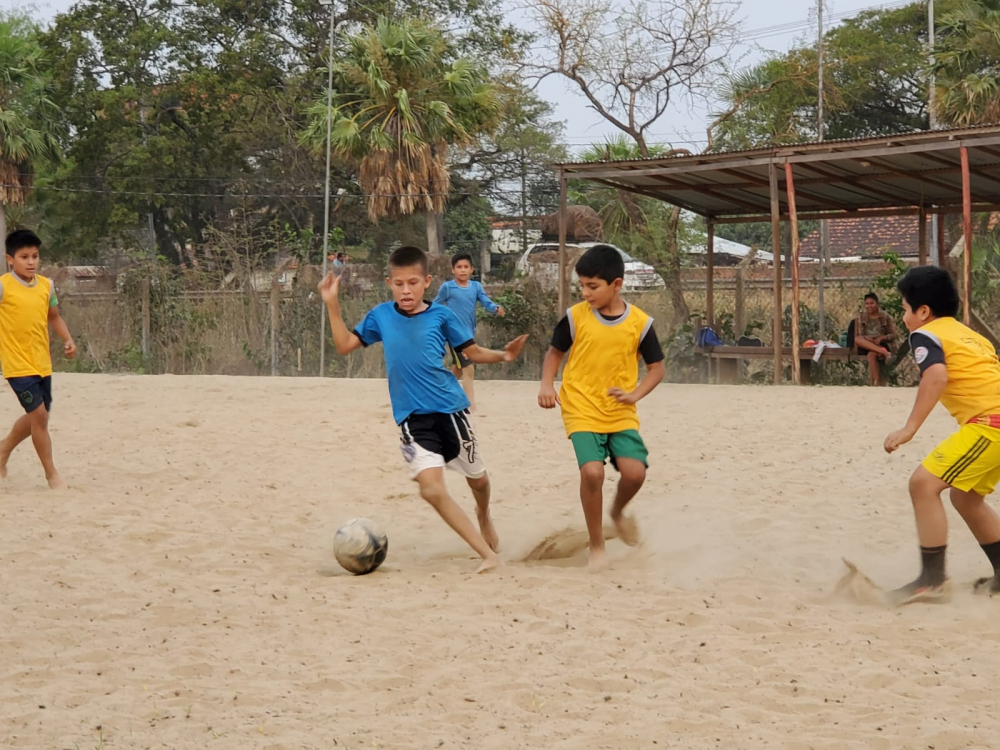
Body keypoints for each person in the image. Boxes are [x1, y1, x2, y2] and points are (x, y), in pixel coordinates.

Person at [319, 245, 527, 573]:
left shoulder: (442, 316)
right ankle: (488, 556)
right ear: (389, 283)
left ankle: (483, 514)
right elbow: (345, 346)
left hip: (450, 410)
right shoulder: (381, 316)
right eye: (399, 283)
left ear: (427, 281)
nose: (406, 290)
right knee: (431, 489)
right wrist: (332, 303)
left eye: (413, 282)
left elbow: (470, 351)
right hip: (412, 419)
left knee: (480, 482)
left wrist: (503, 355)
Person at [537, 244, 665, 571]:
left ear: (616, 285)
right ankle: (597, 548)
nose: (585, 293)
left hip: (619, 411)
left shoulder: (640, 323)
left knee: (635, 474)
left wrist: (635, 395)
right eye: (581, 285)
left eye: (592, 286)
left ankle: (617, 512)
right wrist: (547, 385)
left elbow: (657, 369)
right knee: (592, 472)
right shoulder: (574, 317)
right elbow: (554, 353)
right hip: (580, 406)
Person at [884, 265, 1000, 605]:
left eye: (904, 308)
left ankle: (932, 579)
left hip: (991, 425)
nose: (904, 316)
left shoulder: (925, 334)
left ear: (923, 311)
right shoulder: (969, 334)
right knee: (965, 496)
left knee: (923, 484)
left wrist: (909, 429)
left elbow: (935, 377)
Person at [0, 230, 77, 489]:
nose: (31, 262)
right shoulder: (3, 286)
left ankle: (3, 450)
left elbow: (53, 316)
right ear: (10, 259)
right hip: (16, 365)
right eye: (24, 257)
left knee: (38, 417)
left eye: (35, 256)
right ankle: (52, 475)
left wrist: (68, 339)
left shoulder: (46, 286)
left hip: (42, 363)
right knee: (40, 417)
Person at [433, 253, 505, 413]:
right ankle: (470, 405)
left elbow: (486, 302)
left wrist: (495, 308)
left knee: (457, 370)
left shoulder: (476, 287)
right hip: (453, 335)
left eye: (466, 267)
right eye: (459, 267)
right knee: (468, 367)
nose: (462, 270)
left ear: (472, 269)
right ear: (453, 270)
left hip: (468, 335)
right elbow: (434, 306)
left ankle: (439, 394)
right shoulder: (447, 287)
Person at [855, 293, 897, 386]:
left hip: (882, 344)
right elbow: (861, 334)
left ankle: (876, 382)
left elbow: (893, 335)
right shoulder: (862, 317)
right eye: (867, 304)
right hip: (868, 344)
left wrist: (882, 337)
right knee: (857, 339)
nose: (869, 306)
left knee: (871, 355)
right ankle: (885, 353)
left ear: (877, 303)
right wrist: (867, 338)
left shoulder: (885, 316)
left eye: (872, 303)